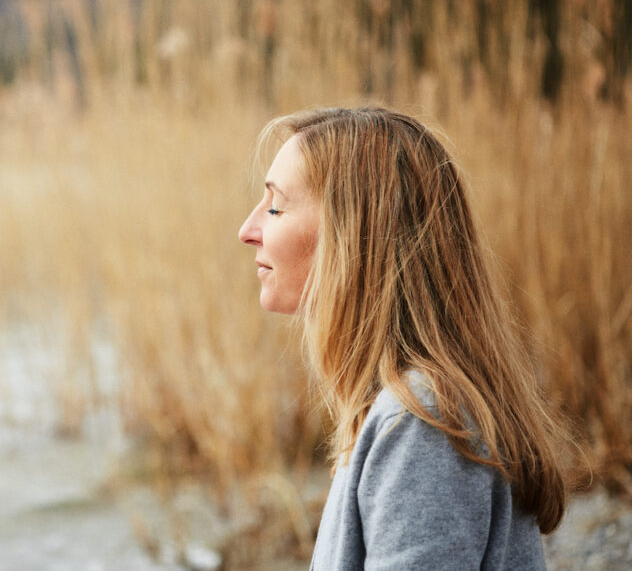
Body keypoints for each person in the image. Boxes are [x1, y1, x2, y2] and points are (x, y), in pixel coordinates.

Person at [237, 107, 570, 570]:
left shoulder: (422, 422)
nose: (247, 231)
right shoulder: (400, 410)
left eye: (275, 206)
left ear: (351, 233)